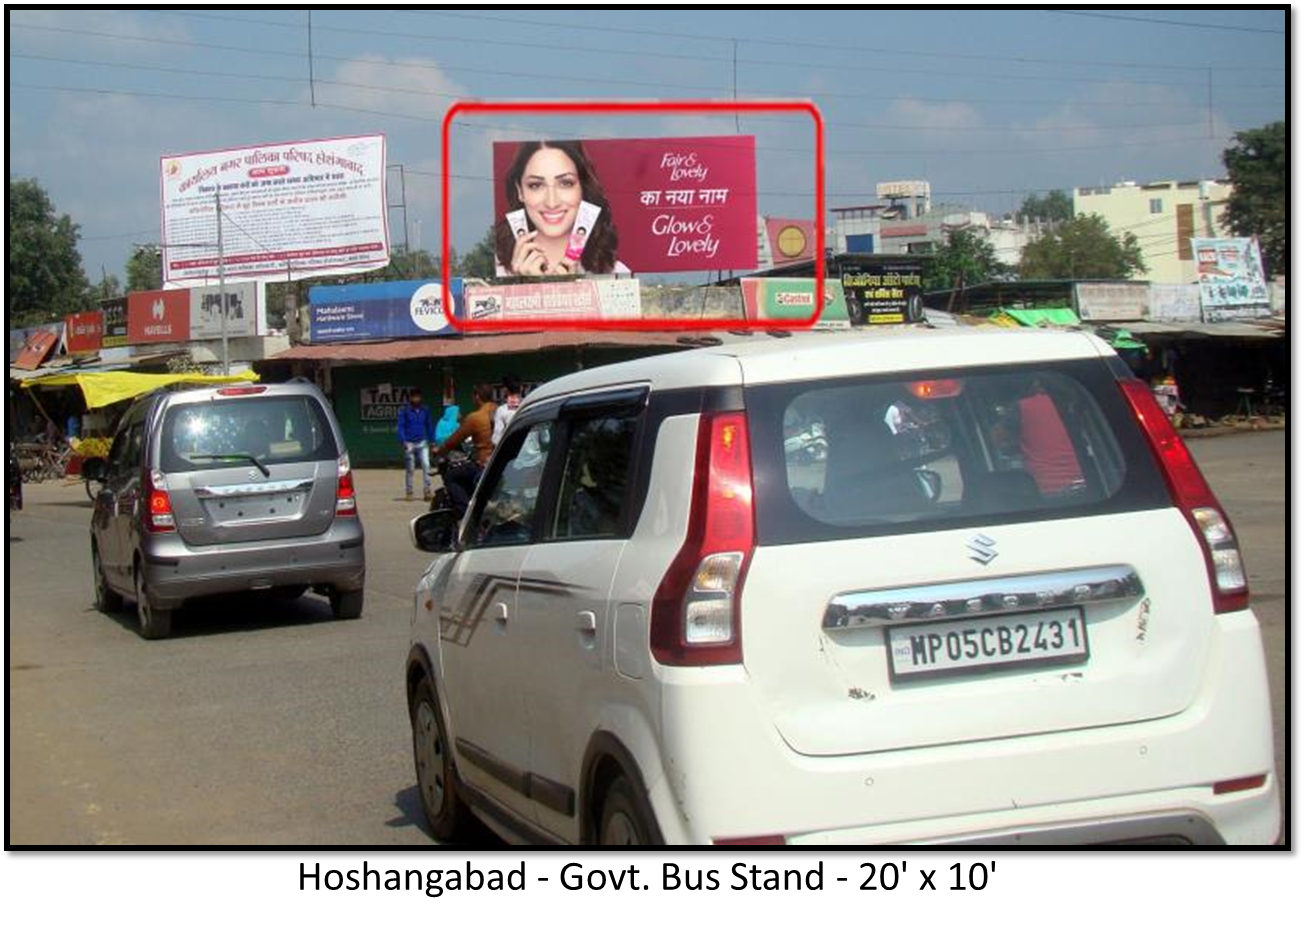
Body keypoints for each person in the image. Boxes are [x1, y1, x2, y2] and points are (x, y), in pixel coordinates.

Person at [493, 140, 629, 277]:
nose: (552, 203)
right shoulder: (491, 271)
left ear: (583, 189)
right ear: (520, 192)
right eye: (535, 185)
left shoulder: (616, 273)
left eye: (565, 183)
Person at [433, 384, 498, 515]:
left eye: (473, 396)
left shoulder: (475, 417)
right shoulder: (499, 410)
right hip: (500, 461)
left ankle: (466, 514)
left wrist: (438, 451)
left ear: (477, 396)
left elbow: (452, 441)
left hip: (483, 463)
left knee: (451, 477)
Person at [397, 388, 435, 502]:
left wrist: (432, 441)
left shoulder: (425, 410)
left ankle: (427, 491)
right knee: (410, 469)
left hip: (422, 442)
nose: (416, 399)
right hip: (409, 443)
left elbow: (429, 425)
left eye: (418, 397)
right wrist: (403, 440)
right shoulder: (405, 411)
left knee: (426, 465)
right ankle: (409, 492)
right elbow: (401, 426)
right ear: (410, 398)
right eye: (414, 397)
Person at [492, 375, 523, 447]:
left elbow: (496, 440)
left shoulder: (502, 410)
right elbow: (545, 439)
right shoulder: (531, 405)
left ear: (505, 390)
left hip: (513, 456)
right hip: (536, 457)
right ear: (521, 388)